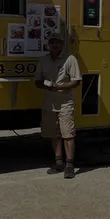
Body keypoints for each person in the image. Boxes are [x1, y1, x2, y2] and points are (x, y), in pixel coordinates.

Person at [35, 33, 81, 179]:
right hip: (49, 104)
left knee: (68, 134)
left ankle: (70, 165)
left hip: (65, 103)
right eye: (52, 42)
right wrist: (47, 86)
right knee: (54, 135)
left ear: (62, 44)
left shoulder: (70, 59)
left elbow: (76, 81)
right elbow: (37, 82)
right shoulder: (43, 60)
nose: (55, 45)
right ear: (48, 45)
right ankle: (58, 162)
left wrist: (59, 87)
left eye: (58, 42)